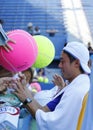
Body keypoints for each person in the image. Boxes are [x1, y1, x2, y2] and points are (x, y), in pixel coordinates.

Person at [11, 41, 91, 130]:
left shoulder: (78, 90)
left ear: (76, 63)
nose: (59, 65)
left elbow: (52, 123)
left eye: (63, 61)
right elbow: (44, 111)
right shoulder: (75, 85)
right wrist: (25, 93)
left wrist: (26, 98)